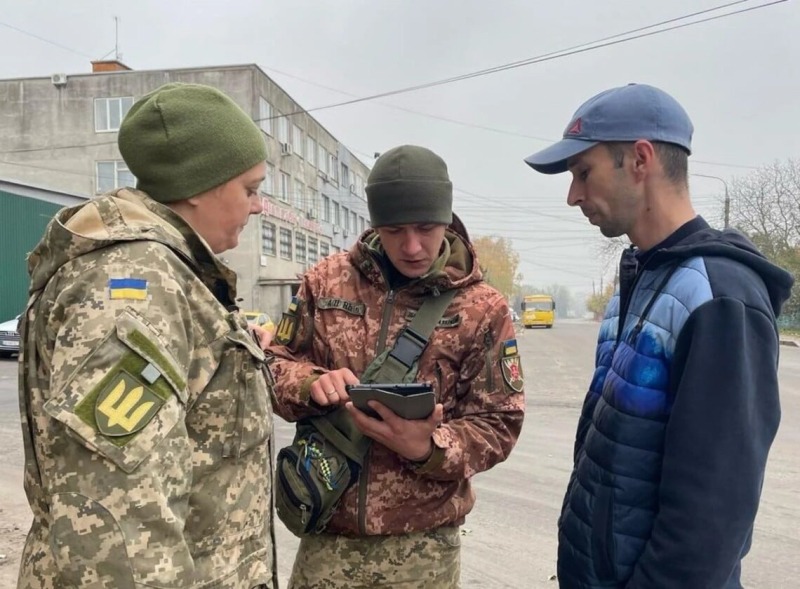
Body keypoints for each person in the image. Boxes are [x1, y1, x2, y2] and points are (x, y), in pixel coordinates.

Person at [525, 83, 794, 588]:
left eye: (584, 172)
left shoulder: (719, 297)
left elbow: (710, 521)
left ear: (641, 160)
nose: (572, 195)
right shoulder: (642, 279)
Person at [17, 83, 278, 588]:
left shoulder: (168, 276)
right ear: (199, 186)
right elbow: (118, 522)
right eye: (250, 189)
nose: (259, 206)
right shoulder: (135, 286)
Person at [269, 145, 525, 588]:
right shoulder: (323, 282)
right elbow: (273, 363)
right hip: (328, 534)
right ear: (374, 225)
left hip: (423, 549)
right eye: (393, 230)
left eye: (426, 228)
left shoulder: (482, 308)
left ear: (446, 219)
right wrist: (308, 383)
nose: (411, 246)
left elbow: (499, 422)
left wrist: (429, 446)